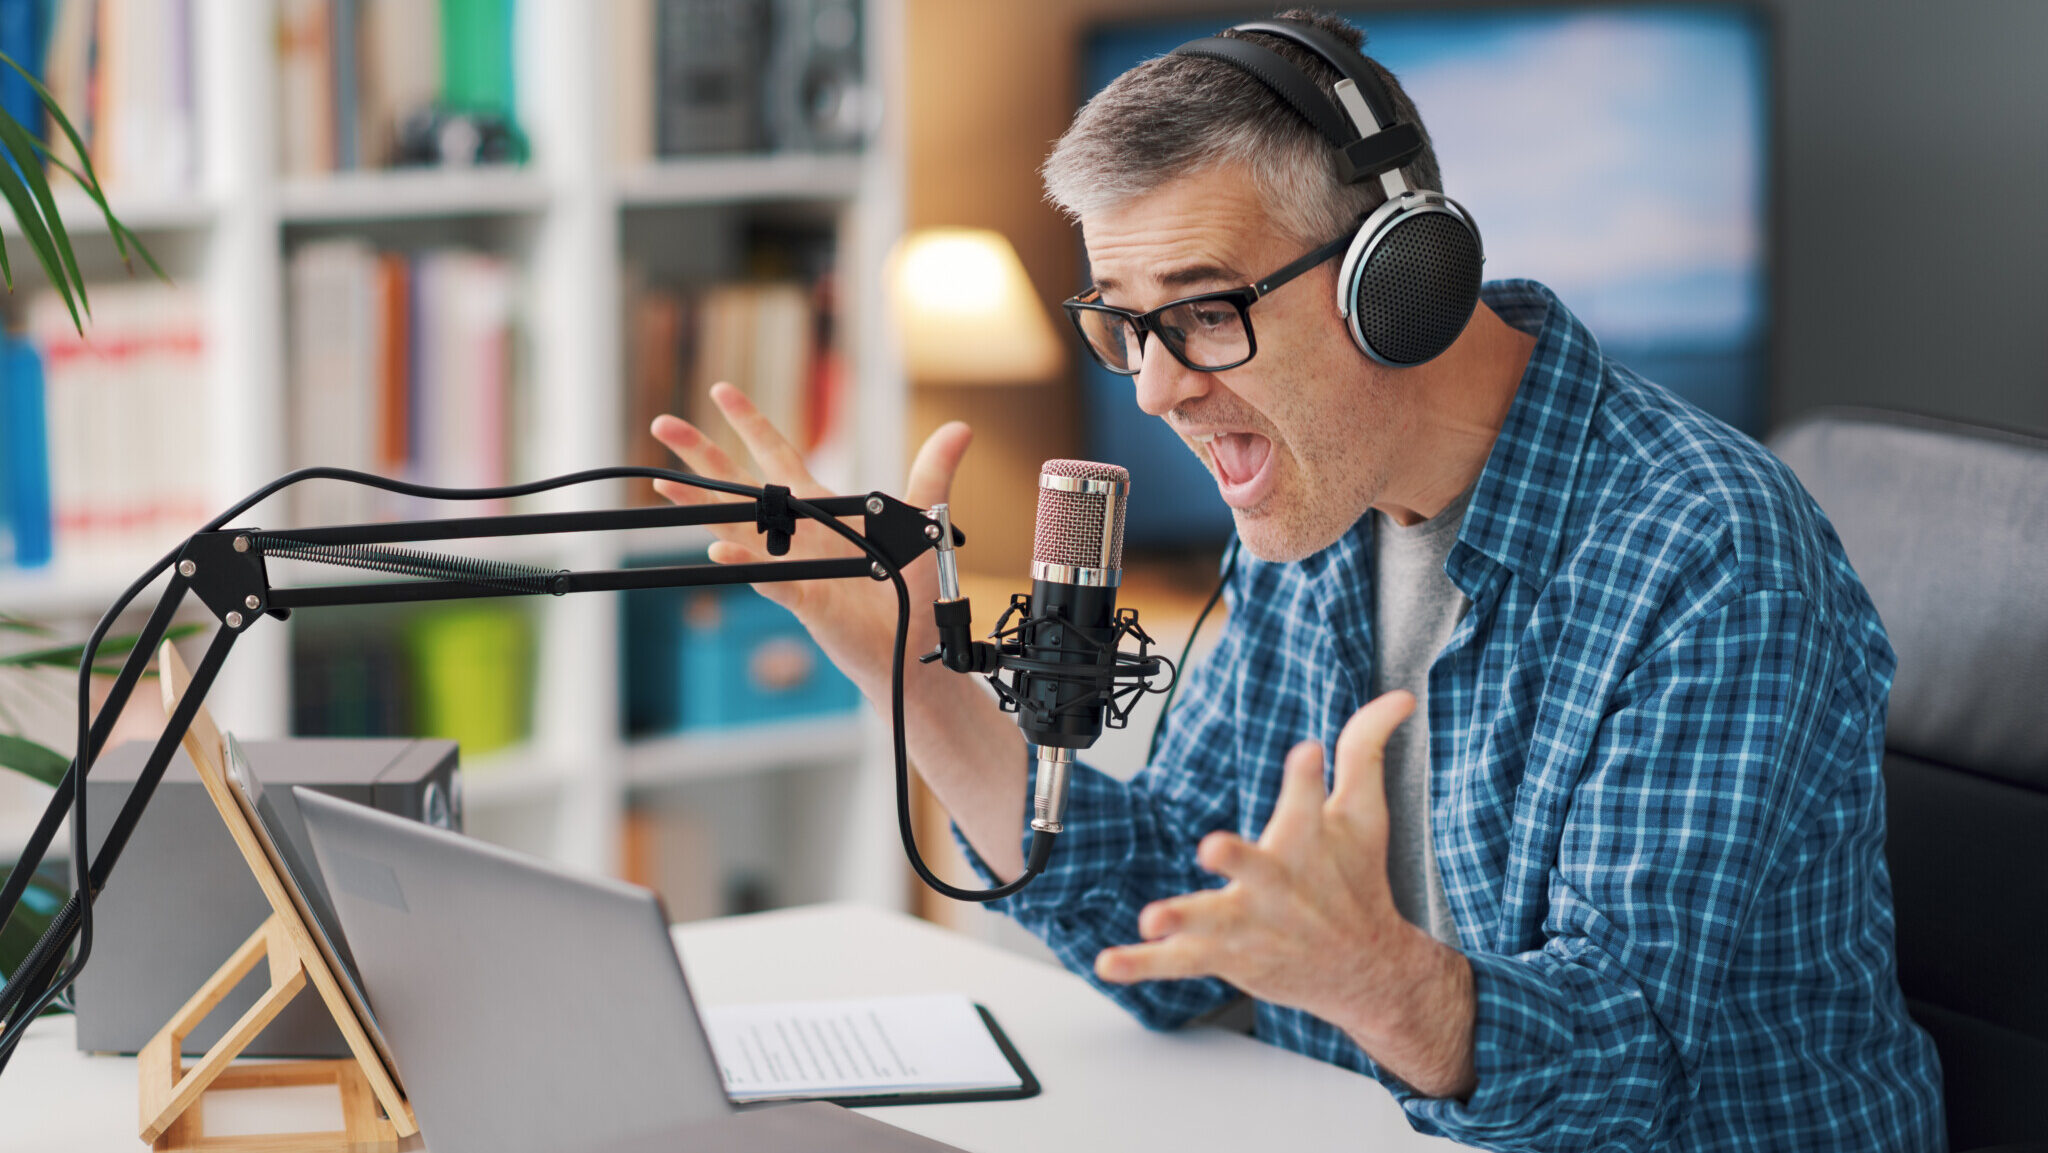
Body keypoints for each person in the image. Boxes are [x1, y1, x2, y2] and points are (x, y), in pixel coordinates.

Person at [649, 10, 1942, 1150]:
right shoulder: (1311, 509)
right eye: (1124, 321)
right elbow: (1174, 925)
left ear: (1404, 282)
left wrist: (1374, 976)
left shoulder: (1706, 550)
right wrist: (917, 676)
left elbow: (1628, 1070)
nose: (1154, 388)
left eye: (1207, 309)